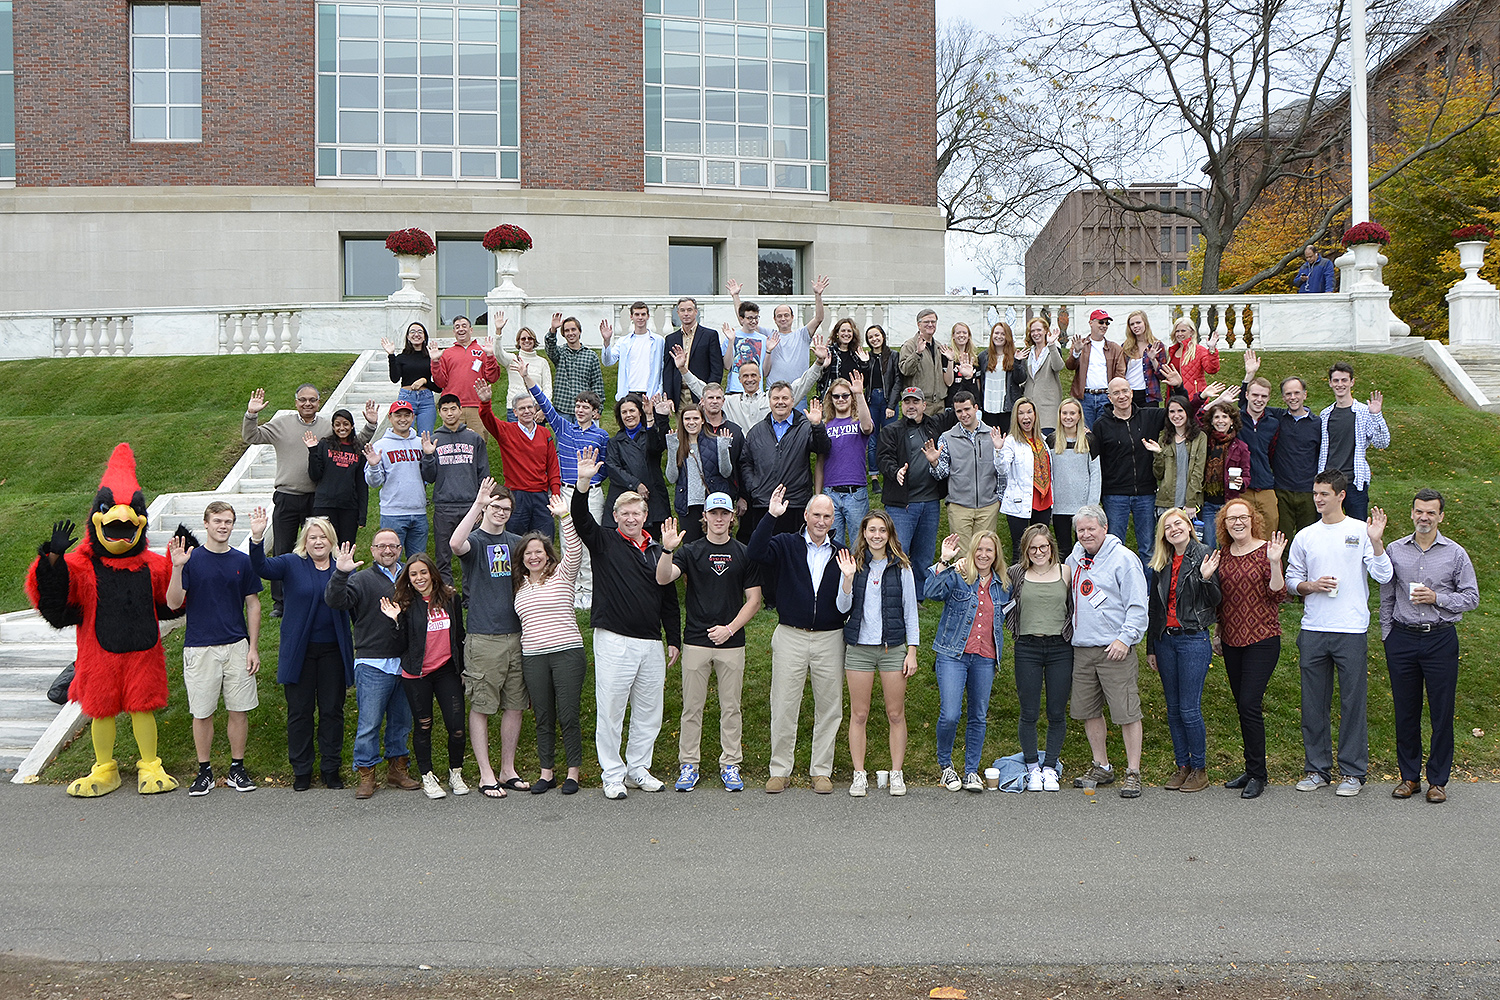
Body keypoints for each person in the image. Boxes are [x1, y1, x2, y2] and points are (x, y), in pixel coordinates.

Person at [572, 446, 682, 800]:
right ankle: (613, 773)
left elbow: (668, 598)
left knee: (650, 710)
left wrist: (674, 638)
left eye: (637, 512)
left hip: (650, 641)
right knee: (611, 710)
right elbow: (580, 519)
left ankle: (638, 767)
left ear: (645, 514)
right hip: (614, 639)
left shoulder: (656, 549)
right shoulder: (604, 541)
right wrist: (583, 483)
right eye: (625, 513)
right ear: (616, 515)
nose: (631, 518)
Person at [1284, 470, 1392, 796]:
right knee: (1313, 704)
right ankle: (1317, 769)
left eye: (1324, 494)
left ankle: (1353, 772)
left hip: (1351, 629)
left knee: (1352, 703)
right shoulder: (1305, 536)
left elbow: (1384, 576)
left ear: (1341, 495)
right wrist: (1310, 586)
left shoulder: (1361, 531)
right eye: (1315, 493)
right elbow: (1291, 581)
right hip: (1314, 629)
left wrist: (1376, 541)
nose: (1318, 499)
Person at [655, 494, 764, 793]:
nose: (719, 518)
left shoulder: (744, 553)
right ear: (704, 516)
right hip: (696, 641)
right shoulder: (690, 551)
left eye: (724, 513)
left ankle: (731, 764)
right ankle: (688, 764)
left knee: (731, 708)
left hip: (731, 642)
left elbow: (754, 600)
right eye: (713, 513)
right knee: (692, 708)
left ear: (732, 517)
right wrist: (667, 549)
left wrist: (729, 629)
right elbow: (664, 578)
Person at [748, 487, 852, 793]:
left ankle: (821, 770)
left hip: (830, 638)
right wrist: (771, 516)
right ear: (805, 516)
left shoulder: (841, 553)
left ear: (834, 520)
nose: (821, 521)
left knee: (830, 707)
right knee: (783, 704)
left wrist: (847, 579)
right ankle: (780, 769)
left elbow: (848, 602)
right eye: (816, 515)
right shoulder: (784, 544)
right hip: (791, 635)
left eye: (827, 516)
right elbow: (754, 552)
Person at [242, 384, 377, 617]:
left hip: (317, 498)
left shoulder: (327, 426)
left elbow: (352, 442)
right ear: (296, 402)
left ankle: (318, 593)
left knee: (316, 547)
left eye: (312, 400)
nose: (307, 404)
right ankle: (280, 602)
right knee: (283, 548)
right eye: (303, 400)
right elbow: (251, 436)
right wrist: (252, 414)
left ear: (318, 402)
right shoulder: (282, 424)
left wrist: (371, 425)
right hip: (287, 495)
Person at [1380, 488, 1479, 804]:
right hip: (1402, 638)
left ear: (1441, 516)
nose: (1424, 517)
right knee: (1405, 711)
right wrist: (1387, 635)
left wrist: (1439, 598)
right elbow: (1386, 596)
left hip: (1440, 638)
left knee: (1441, 712)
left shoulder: (1455, 553)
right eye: (1419, 511)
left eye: (1431, 512)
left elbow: (1472, 597)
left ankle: (1437, 780)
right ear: (1412, 513)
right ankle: (1409, 777)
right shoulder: (1395, 550)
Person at [249, 509, 354, 791]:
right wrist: (257, 538)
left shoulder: (342, 567)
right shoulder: (291, 563)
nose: (317, 541)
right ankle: (302, 770)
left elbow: (355, 603)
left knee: (332, 711)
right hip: (300, 652)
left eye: (323, 537)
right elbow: (261, 568)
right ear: (304, 541)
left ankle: (331, 769)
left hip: (333, 651)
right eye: (312, 537)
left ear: (331, 541)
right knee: (300, 711)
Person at [164, 502, 262, 796]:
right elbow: (172, 602)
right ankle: (204, 771)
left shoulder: (242, 561)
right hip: (200, 648)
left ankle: (237, 769)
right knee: (202, 713)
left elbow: (253, 604)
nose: (223, 526)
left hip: (236, 646)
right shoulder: (191, 561)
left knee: (239, 710)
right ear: (206, 524)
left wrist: (253, 647)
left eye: (228, 521)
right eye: (217, 521)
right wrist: (177, 567)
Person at [448, 479, 531, 797]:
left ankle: (507, 769)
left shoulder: (516, 542)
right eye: (495, 507)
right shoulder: (476, 541)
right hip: (484, 637)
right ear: (486, 508)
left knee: (514, 705)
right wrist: (478, 504)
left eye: (506, 509)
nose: (501, 513)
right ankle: (486, 774)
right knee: (482, 706)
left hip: (517, 636)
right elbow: (456, 545)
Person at [325, 528, 420, 800]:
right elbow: (335, 601)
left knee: (402, 721)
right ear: (373, 550)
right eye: (381, 546)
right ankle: (366, 773)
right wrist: (341, 573)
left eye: (393, 546)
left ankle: (397, 769)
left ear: (401, 549)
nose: (387, 550)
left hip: (405, 661)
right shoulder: (361, 579)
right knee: (369, 723)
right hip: (372, 662)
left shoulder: (411, 577)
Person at [1065, 504, 1149, 799]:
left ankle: (1133, 772)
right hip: (1083, 648)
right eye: (1081, 530)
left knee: (1126, 712)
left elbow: (1138, 605)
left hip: (1116, 649)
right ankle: (1101, 765)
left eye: (1091, 528)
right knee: (1089, 711)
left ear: (1104, 528)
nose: (1086, 534)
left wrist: (1125, 639)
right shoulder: (1073, 560)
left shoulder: (1124, 559)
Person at [839, 510, 920, 798]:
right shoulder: (853, 565)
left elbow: (911, 612)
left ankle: (896, 774)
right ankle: (859, 774)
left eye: (882, 531)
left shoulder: (903, 568)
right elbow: (841, 607)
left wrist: (911, 651)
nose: (876, 535)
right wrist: (847, 579)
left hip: (893, 649)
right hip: (859, 649)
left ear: (889, 534)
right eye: (871, 530)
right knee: (859, 714)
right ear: (863, 533)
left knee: (895, 713)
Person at [1213, 498, 1288, 800]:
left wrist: (1274, 562)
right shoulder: (1223, 555)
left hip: (1262, 638)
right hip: (1231, 639)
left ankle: (1259, 773)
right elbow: (1222, 600)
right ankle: (1250, 767)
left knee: (1249, 704)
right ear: (1224, 524)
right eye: (1231, 519)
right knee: (1243, 707)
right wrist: (1218, 632)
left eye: (1242, 517)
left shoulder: (1266, 550)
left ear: (1252, 519)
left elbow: (1279, 593)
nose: (1237, 523)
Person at [513, 493, 587, 795]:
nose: (534, 557)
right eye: (528, 553)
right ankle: (547, 772)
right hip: (533, 657)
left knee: (568, 714)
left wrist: (565, 518)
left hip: (567, 653)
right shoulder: (517, 585)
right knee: (543, 715)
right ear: (522, 558)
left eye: (539, 552)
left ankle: (573, 772)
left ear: (547, 554)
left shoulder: (562, 575)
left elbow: (575, 552)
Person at [379, 554, 469, 800]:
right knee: (424, 725)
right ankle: (427, 776)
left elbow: (459, 635)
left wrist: (463, 669)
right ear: (408, 578)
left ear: (432, 574)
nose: (419, 578)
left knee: (457, 727)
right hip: (417, 674)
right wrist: (395, 621)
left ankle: (456, 772)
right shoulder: (405, 604)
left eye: (423, 572)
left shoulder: (450, 598)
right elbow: (399, 646)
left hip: (446, 671)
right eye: (413, 574)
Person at [1144, 507, 1222, 793]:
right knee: (1174, 709)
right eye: (1167, 527)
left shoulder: (1204, 554)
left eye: (1178, 524)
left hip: (1193, 639)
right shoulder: (1161, 562)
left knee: (1189, 709)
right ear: (1163, 534)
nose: (1174, 529)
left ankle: (1199, 769)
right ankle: (1182, 766)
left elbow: (1216, 600)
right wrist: (1151, 646)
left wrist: (1205, 577)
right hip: (1166, 640)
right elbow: (1155, 608)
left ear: (1189, 526)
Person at [521, 360, 610, 608]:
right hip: (567, 493)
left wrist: (593, 477)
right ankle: (572, 591)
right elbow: (547, 407)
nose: (580, 410)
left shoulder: (601, 436)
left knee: (589, 541)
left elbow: (605, 465)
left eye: (586, 407)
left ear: (595, 412)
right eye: (578, 406)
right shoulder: (564, 429)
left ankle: (590, 591)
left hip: (592, 494)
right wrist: (528, 378)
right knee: (569, 541)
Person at [928, 530, 1008, 793]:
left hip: (985, 657)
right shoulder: (959, 575)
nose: (984, 555)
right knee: (950, 714)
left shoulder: (1002, 585)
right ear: (971, 551)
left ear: (996, 555)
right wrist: (944, 560)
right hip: (953, 654)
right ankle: (946, 766)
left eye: (989, 550)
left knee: (978, 716)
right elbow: (931, 591)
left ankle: (971, 770)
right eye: (979, 549)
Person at [1004, 524, 1072, 792]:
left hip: (1060, 648)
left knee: (1056, 712)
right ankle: (1032, 767)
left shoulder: (1065, 571)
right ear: (1026, 551)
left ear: (1051, 547)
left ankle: (1050, 767)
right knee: (1029, 711)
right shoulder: (1016, 573)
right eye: (1033, 548)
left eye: (1043, 547)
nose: (1039, 552)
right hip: (1027, 647)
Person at [1090, 378, 1168, 575]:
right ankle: (1115, 593)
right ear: (1109, 397)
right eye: (1116, 393)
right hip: (1115, 495)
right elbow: (1094, 460)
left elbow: (1179, 412)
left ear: (1132, 392)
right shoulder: (1101, 425)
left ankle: (1150, 596)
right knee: (1114, 547)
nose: (1122, 396)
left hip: (1146, 493)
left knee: (1148, 548)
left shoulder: (1149, 416)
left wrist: (1180, 387)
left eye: (1125, 391)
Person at [877, 387, 949, 599]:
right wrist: (895, 471)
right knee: (898, 552)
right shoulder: (891, 431)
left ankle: (917, 596)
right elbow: (883, 458)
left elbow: (957, 405)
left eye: (915, 402)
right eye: (907, 402)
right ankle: (895, 596)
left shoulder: (934, 426)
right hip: (902, 505)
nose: (911, 406)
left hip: (930, 503)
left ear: (923, 405)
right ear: (901, 405)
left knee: (924, 555)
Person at [1242, 352, 1320, 541]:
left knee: (1308, 540)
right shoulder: (1277, 417)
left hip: (1308, 490)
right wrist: (1249, 375)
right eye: (1288, 394)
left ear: (1305, 394)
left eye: (1296, 393)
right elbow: (1248, 404)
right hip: (1281, 488)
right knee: (1280, 539)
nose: (1293, 397)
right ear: (1283, 398)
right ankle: (1280, 571)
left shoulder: (1318, 423)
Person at [739, 382, 831, 541]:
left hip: (795, 503)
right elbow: (746, 462)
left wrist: (817, 425)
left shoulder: (805, 427)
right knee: (765, 555)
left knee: (792, 554)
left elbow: (823, 448)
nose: (780, 402)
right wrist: (754, 487)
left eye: (785, 398)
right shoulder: (757, 431)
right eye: (776, 398)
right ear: (769, 402)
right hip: (763, 503)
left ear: (792, 401)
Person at [476, 375, 563, 538]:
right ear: (514, 412)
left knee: (544, 541)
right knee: (515, 542)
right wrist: (485, 402)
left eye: (530, 407)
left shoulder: (544, 433)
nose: (527, 411)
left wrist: (555, 494)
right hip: (517, 496)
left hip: (541, 497)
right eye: (522, 408)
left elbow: (552, 466)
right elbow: (488, 419)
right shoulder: (506, 431)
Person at [678, 341, 827, 438]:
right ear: (740, 379)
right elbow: (704, 391)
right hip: (739, 456)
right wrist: (683, 369)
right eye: (746, 376)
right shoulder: (729, 402)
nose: (750, 379)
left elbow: (802, 384)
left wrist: (819, 362)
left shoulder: (773, 399)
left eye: (754, 375)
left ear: (760, 377)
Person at [422, 393, 490, 588]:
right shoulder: (434, 440)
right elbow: (429, 476)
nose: (450, 413)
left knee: (471, 552)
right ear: (439, 413)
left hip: (470, 505)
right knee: (443, 555)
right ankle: (447, 595)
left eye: (453, 409)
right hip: (444, 506)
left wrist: (481, 506)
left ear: (461, 410)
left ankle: (471, 595)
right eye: (445, 410)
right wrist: (428, 456)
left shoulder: (474, 438)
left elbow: (483, 473)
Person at [731, 275, 828, 396]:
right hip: (774, 392)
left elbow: (819, 318)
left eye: (786, 315)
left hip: (798, 391)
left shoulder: (803, 334)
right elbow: (745, 319)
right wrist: (735, 296)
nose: (783, 319)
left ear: (792, 317)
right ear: (774, 319)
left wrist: (818, 295)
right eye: (779, 316)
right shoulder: (768, 335)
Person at [1317, 362, 1389, 521]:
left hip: (1354, 483)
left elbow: (1382, 443)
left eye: (1344, 380)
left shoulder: (1364, 411)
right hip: (1328, 483)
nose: (1340, 384)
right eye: (1336, 381)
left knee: (1357, 530)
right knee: (1327, 526)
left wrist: (1376, 415)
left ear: (1352, 382)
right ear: (1330, 383)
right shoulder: (1325, 414)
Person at [363, 399, 428, 558]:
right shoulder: (381, 446)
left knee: (418, 563)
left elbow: (431, 474)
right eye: (398, 415)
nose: (403, 419)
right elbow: (373, 482)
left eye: (407, 415)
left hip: (419, 512)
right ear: (390, 418)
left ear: (413, 418)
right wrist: (373, 466)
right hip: (393, 513)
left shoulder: (421, 443)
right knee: (389, 560)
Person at [817, 373, 875, 547]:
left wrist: (859, 393)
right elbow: (819, 463)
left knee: (859, 546)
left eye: (845, 395)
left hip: (855, 493)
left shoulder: (858, 422)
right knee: (832, 546)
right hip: (830, 493)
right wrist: (818, 495)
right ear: (831, 399)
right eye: (836, 396)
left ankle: (857, 575)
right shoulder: (825, 425)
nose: (841, 399)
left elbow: (867, 427)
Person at [603, 392, 671, 538]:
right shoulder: (615, 442)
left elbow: (656, 448)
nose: (628, 415)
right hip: (623, 496)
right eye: (624, 412)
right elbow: (613, 469)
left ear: (640, 412)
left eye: (632, 410)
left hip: (652, 498)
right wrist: (636, 485)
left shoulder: (649, 433)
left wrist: (651, 418)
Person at [665, 403, 735, 544]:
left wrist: (723, 449)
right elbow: (671, 478)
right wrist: (672, 449)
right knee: (691, 547)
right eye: (687, 419)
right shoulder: (677, 443)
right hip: (688, 505)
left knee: (716, 543)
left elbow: (726, 472)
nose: (691, 422)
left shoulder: (715, 442)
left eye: (695, 418)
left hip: (712, 504)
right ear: (682, 421)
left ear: (703, 420)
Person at [997, 397, 1053, 560]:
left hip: (1044, 501)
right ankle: (1017, 584)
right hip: (1020, 502)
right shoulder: (1011, 441)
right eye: (1021, 413)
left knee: (1041, 548)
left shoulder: (1043, 440)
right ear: (1016, 417)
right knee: (1020, 549)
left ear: (1035, 415)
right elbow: (1002, 468)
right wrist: (998, 450)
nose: (1025, 416)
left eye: (1029, 412)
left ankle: (1038, 581)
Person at [305, 408, 368, 551]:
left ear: (352, 426)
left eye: (345, 424)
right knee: (325, 546)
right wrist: (313, 451)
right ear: (333, 427)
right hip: (325, 504)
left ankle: (346, 573)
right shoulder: (324, 445)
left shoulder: (358, 449)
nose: (342, 428)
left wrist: (362, 514)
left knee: (346, 548)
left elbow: (361, 483)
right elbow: (315, 475)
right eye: (337, 424)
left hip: (349, 507)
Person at [430, 315, 501, 440]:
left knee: (479, 443)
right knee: (452, 445)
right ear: (454, 332)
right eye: (457, 327)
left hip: (477, 406)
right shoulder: (446, 353)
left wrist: (490, 356)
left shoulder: (483, 350)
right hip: (453, 407)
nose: (461, 329)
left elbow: (493, 377)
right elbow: (440, 382)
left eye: (464, 326)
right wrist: (435, 362)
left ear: (471, 330)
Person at [1196, 399, 1251, 551]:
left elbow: (1246, 475)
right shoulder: (1204, 441)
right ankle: (1210, 574)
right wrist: (1217, 400)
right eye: (1217, 417)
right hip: (1207, 504)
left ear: (1232, 421)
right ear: (1212, 421)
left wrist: (1242, 482)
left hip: (1230, 503)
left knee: (1229, 546)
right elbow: (1195, 417)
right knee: (1208, 545)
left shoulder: (1240, 447)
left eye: (1225, 417)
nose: (1221, 421)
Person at [1051, 398, 1100, 551]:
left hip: (1082, 506)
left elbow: (1096, 474)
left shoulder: (1089, 440)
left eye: (1072, 413)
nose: (1068, 417)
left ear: (1079, 416)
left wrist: (1091, 505)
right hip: (1059, 506)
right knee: (1064, 549)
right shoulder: (1051, 441)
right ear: (1059, 415)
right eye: (1064, 413)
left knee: (1085, 547)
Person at [1148, 396, 1206, 520]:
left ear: (1187, 412)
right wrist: (1158, 453)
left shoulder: (1200, 437)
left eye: (1180, 411)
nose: (1176, 415)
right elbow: (1158, 474)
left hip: (1190, 505)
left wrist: (1191, 502)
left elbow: (1198, 472)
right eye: (1172, 411)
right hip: (1166, 503)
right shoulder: (1163, 438)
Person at [1065, 309, 1125, 428]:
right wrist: (1076, 352)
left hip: (1106, 397)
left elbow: (1120, 373)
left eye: (1107, 323)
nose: (1104, 326)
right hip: (1085, 397)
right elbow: (1070, 366)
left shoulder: (1115, 348)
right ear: (1091, 323)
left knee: (1105, 433)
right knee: (1086, 435)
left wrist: (1115, 394)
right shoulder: (1080, 344)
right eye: (1101, 322)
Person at [661, 297, 722, 406]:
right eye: (682, 310)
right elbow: (668, 371)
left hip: (701, 393)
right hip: (680, 395)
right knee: (682, 423)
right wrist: (669, 396)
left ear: (696, 312)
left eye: (689, 310)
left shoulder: (709, 335)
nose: (686, 314)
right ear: (678, 313)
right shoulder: (670, 339)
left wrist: (710, 394)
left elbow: (716, 368)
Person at [382, 321, 439, 435]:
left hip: (426, 400)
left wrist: (424, 381)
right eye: (412, 332)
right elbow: (395, 378)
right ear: (408, 337)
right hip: (406, 398)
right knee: (404, 434)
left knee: (426, 436)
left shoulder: (430, 357)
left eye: (419, 332)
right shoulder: (402, 357)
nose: (416, 334)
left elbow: (439, 388)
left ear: (424, 337)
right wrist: (391, 355)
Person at [605, 301, 666, 401]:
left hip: (651, 394)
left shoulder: (659, 341)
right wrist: (606, 342)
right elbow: (608, 362)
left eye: (643, 314)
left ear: (648, 316)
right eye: (637, 314)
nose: (640, 317)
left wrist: (659, 391)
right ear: (631, 317)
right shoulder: (623, 341)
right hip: (628, 394)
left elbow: (663, 367)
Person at [544, 312, 606, 409]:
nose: (570, 333)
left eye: (573, 329)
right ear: (563, 334)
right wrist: (553, 330)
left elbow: (597, 383)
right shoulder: (559, 353)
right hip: (563, 407)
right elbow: (550, 347)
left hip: (584, 407)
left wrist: (598, 407)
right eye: (567, 331)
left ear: (579, 331)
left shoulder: (591, 356)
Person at [1016, 318, 1065, 436]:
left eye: (1039, 330)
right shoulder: (1028, 353)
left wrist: (1052, 344)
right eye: (1032, 331)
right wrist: (1017, 362)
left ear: (1045, 331)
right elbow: (1025, 378)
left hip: (1048, 408)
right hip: (1029, 408)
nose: (1035, 333)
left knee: (1047, 443)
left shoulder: (1053, 350)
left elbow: (1058, 367)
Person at [897, 308, 949, 419]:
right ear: (919, 324)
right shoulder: (909, 346)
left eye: (933, 322)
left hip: (939, 404)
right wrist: (917, 353)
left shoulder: (939, 347)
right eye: (926, 322)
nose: (930, 324)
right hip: (920, 404)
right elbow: (905, 370)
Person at [864, 324, 900, 474]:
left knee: (889, 437)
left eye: (877, 335)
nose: (874, 339)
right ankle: (873, 473)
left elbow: (898, 381)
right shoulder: (866, 357)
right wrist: (864, 363)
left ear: (883, 336)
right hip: (872, 400)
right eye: (871, 337)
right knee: (872, 438)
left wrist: (891, 405)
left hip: (888, 400)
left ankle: (889, 470)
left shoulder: (893, 355)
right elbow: (864, 382)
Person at [497, 326, 552, 420]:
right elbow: (498, 354)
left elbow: (547, 388)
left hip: (535, 410)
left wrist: (544, 409)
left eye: (530, 338)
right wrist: (498, 332)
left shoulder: (542, 362)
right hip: (515, 410)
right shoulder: (512, 359)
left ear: (534, 341)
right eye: (523, 338)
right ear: (518, 341)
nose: (527, 340)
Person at [1162, 318, 1221, 406]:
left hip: (1192, 398)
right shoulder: (1172, 351)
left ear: (1192, 332)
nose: (1179, 334)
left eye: (1183, 331)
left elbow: (1212, 369)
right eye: (1177, 331)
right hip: (1173, 396)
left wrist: (1212, 350)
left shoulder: (1199, 350)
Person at [976, 320, 1023, 431]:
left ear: (1008, 337)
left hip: (1007, 407)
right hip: (988, 406)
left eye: (1003, 334)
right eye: (996, 333)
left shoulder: (1015, 355)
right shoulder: (984, 356)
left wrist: (1017, 362)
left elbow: (1020, 379)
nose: (999, 336)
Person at [1120, 310, 1168, 409]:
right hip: (1129, 394)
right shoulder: (1126, 347)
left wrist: (1153, 359)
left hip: (1149, 395)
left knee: (1150, 423)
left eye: (1138, 322)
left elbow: (1162, 376)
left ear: (1145, 323)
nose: (1135, 326)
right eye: (1132, 324)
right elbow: (1121, 372)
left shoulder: (1157, 345)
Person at [723, 299, 771, 394]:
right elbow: (727, 366)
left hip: (756, 391)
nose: (753, 321)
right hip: (734, 390)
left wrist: (769, 351)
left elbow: (765, 372)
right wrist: (731, 342)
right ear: (741, 319)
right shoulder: (732, 336)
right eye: (749, 318)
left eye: (756, 318)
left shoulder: (764, 339)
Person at [817, 317, 870, 400]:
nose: (846, 334)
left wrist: (865, 364)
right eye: (843, 330)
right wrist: (824, 367)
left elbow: (865, 383)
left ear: (853, 334)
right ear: (837, 333)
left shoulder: (856, 355)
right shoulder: (828, 352)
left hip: (852, 399)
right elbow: (819, 379)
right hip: (833, 399)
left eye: (849, 331)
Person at [944, 322, 979, 407]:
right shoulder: (947, 356)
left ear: (969, 336)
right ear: (953, 336)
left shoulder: (974, 358)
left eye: (964, 332)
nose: (961, 335)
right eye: (958, 333)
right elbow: (948, 382)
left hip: (972, 403)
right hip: (954, 403)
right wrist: (950, 360)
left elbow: (978, 384)